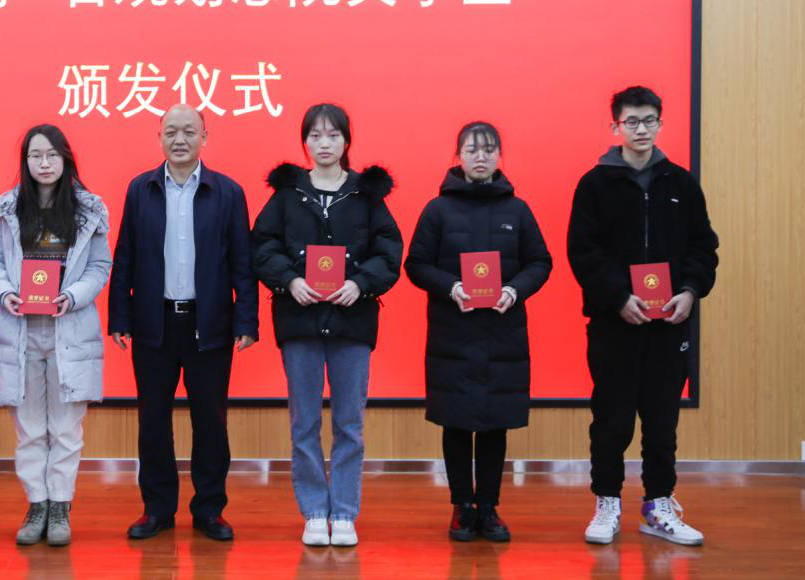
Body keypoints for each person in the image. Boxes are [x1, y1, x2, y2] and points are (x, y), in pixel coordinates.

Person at [568, 86, 718, 547]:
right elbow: (583, 252)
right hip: (614, 322)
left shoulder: (681, 183)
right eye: (631, 121)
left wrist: (690, 291)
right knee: (611, 418)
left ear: (659, 123)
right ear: (615, 126)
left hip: (670, 324)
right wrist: (617, 297)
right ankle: (607, 502)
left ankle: (658, 505)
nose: (641, 129)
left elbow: (703, 246)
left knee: (662, 420)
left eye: (649, 120)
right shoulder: (594, 184)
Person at [251, 103, 403, 547]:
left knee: (349, 422)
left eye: (333, 135)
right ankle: (315, 511)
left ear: (346, 141)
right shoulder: (287, 194)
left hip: (351, 321)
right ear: (304, 142)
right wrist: (289, 280)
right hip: (300, 320)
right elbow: (262, 246)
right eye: (315, 136)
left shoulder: (366, 194)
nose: (324, 143)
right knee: (303, 422)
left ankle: (345, 512)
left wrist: (361, 283)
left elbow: (389, 251)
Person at [108, 104, 259, 542]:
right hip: (153, 323)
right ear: (159, 137)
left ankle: (209, 509)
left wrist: (246, 320)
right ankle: (157, 509)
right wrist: (119, 316)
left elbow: (242, 263)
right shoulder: (141, 190)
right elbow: (125, 257)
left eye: (189, 131)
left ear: (204, 138)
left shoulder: (227, 192)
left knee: (210, 421)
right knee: (153, 420)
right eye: (171, 131)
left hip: (208, 324)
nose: (179, 139)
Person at [404, 121, 552, 543]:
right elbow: (416, 264)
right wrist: (451, 287)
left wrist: (513, 290)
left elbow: (540, 262)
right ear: (459, 157)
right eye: (472, 150)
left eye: (488, 149)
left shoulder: (517, 210)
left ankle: (489, 507)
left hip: (503, 333)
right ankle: (461, 507)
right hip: (453, 333)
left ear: (499, 156)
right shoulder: (437, 210)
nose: (481, 157)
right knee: (456, 422)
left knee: (494, 424)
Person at [0, 125, 112, 547]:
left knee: (66, 428)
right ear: (25, 161)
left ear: (66, 159)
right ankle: (36, 503)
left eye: (52, 155)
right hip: (21, 332)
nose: (44, 163)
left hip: (68, 330)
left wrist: (72, 297)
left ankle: (60, 506)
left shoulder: (89, 210)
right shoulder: (7, 210)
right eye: (36, 155)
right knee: (30, 429)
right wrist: (5, 292)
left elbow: (100, 267)